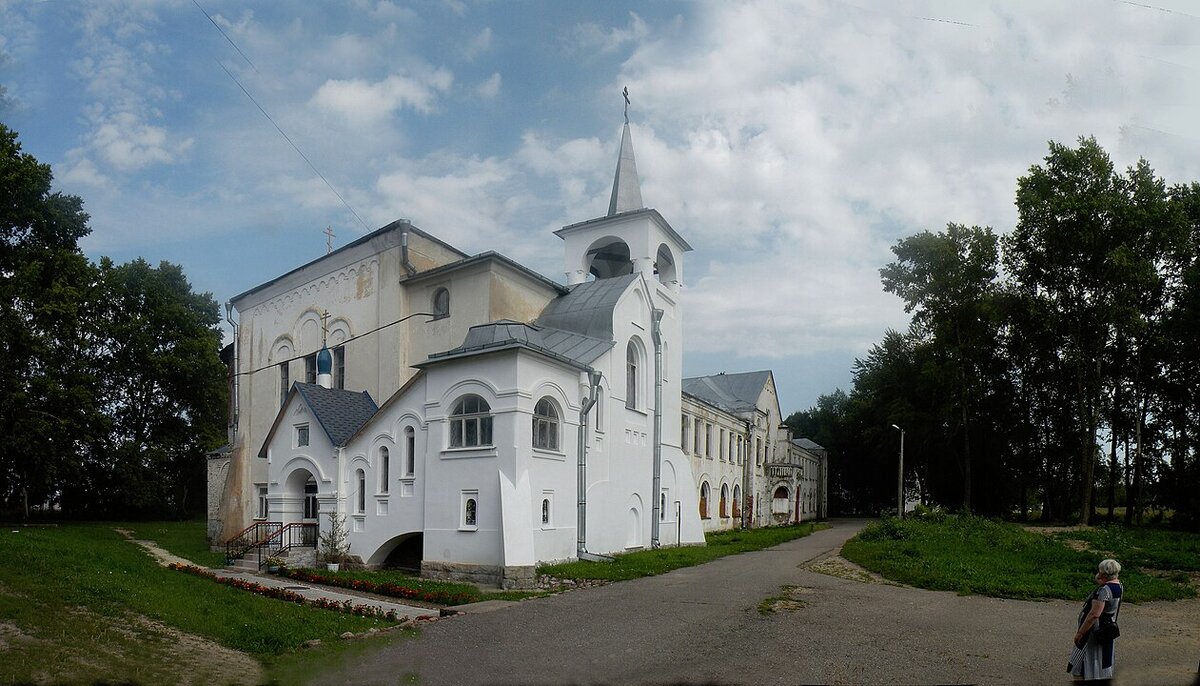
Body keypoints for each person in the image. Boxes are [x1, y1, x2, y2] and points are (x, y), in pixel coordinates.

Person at [1067, 558, 1123, 682]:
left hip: (1094, 631)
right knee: (1102, 662)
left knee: (1080, 665)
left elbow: (1094, 614)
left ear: (1103, 573)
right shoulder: (1118, 586)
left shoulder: (1104, 591)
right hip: (1106, 629)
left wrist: (1080, 633)